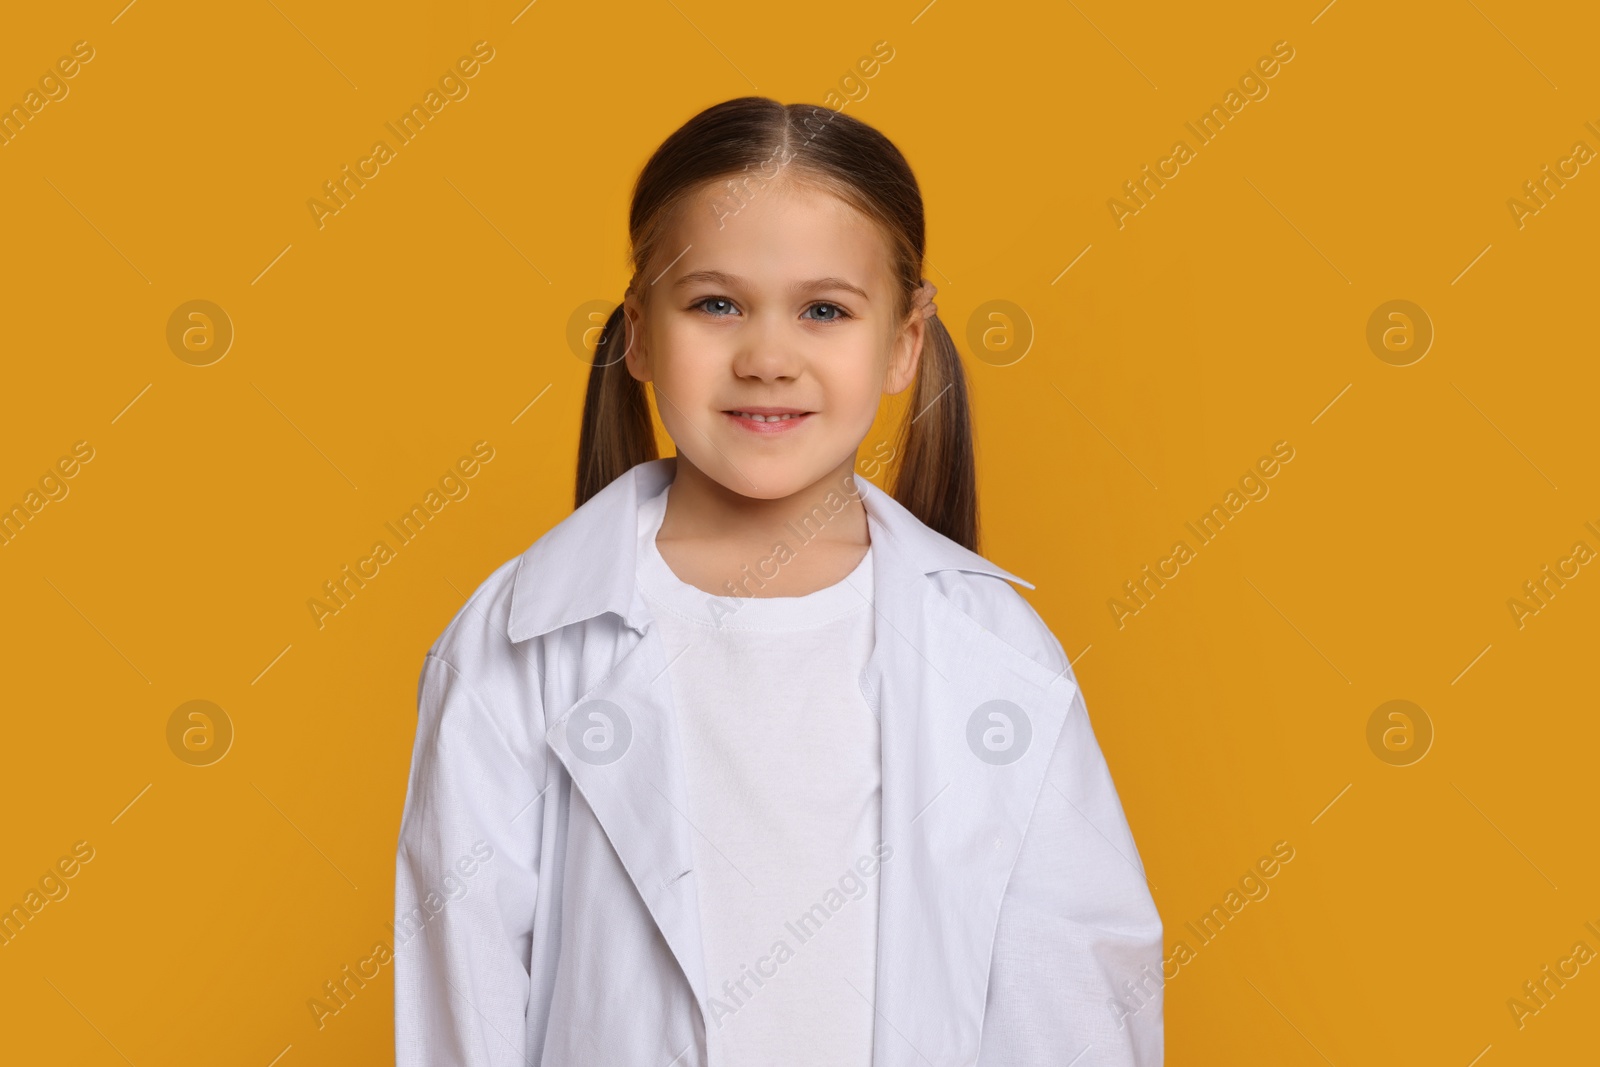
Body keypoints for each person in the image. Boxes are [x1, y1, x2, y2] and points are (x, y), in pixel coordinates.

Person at [394, 96, 1162, 1066]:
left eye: (823, 310)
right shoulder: (519, 638)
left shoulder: (995, 654)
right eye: (715, 303)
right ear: (637, 329)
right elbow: (461, 991)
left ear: (903, 340)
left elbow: (1075, 996)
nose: (766, 357)